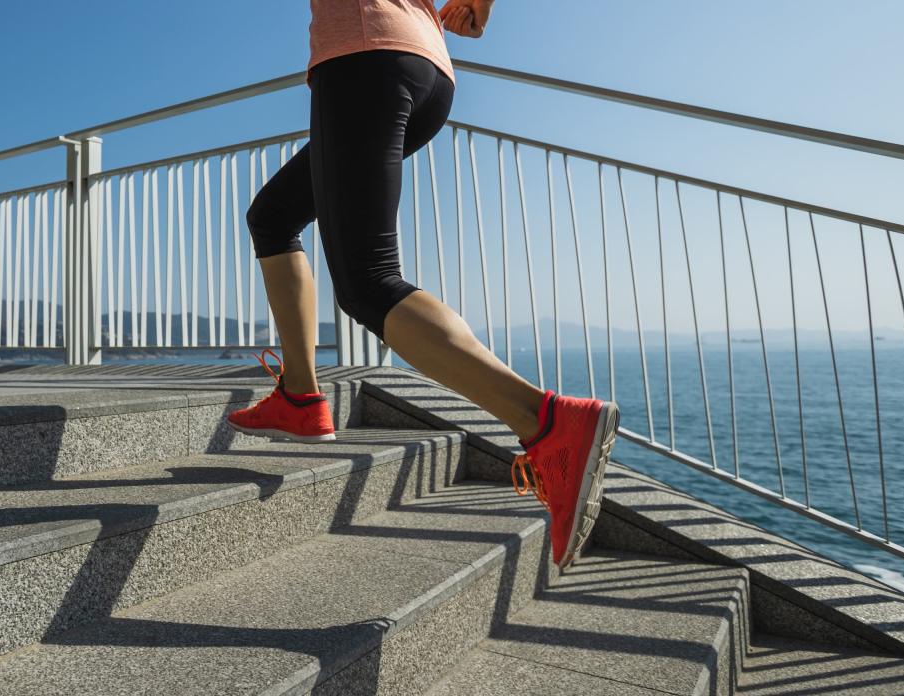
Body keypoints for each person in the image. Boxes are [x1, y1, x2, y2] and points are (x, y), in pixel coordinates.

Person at [227, 0, 619, 570]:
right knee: (274, 216)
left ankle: (547, 420)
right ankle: (301, 398)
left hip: (365, 54)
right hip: (423, 65)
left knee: (367, 281)